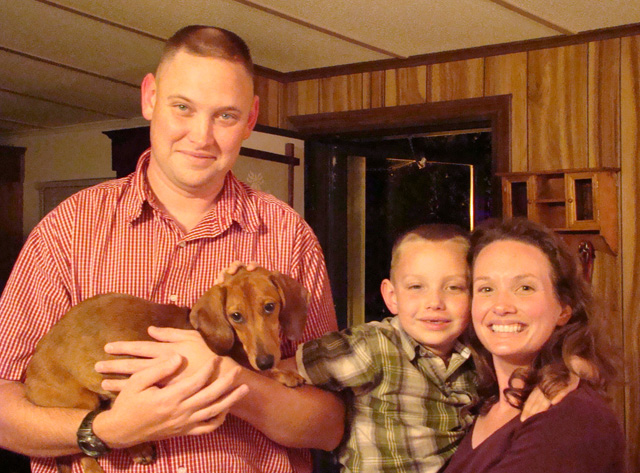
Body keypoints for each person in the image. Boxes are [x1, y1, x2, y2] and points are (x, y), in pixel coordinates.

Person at [0, 25, 343, 473]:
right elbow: (4, 409)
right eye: (183, 107)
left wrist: (228, 379)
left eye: (226, 116)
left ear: (251, 118)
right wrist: (107, 431)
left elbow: (329, 426)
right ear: (150, 98)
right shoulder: (67, 229)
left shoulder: (289, 235)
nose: (201, 136)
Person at [443, 218, 625, 473]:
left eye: (525, 288)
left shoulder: (571, 416)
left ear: (564, 309)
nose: (501, 306)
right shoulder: (474, 400)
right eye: (486, 288)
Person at [294, 224, 477, 472]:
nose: (435, 302)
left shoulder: (478, 359)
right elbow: (284, 372)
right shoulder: (371, 345)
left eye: (454, 287)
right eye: (416, 287)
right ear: (392, 296)